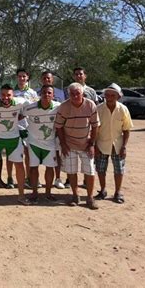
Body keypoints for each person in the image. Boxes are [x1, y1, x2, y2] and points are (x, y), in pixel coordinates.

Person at [55, 82, 100, 210]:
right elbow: (59, 127)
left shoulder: (90, 105)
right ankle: (75, 196)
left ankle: (90, 198)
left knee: (90, 172)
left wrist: (92, 144)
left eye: (77, 93)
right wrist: (63, 144)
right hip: (69, 144)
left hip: (86, 144)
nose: (75, 96)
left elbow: (96, 125)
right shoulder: (64, 107)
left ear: (82, 94)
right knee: (72, 171)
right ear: (68, 94)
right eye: (72, 94)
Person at [0, 84, 29, 205]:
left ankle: (21, 196)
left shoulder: (20, 101)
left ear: (13, 95)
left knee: (19, 166)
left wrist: (22, 116)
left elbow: (31, 105)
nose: (6, 97)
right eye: (3, 95)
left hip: (14, 139)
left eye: (8, 95)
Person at [94, 83, 133, 204]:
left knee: (119, 170)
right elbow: (94, 128)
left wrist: (124, 147)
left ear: (118, 96)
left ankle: (118, 192)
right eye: (107, 94)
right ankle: (103, 190)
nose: (109, 97)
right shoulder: (99, 109)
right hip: (101, 144)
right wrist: (94, 146)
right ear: (104, 95)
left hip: (118, 145)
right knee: (100, 169)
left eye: (113, 95)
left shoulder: (123, 109)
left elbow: (126, 130)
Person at [23, 85, 60, 203]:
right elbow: (18, 116)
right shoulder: (30, 108)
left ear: (53, 95)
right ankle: (34, 193)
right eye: (44, 92)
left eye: (49, 93)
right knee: (33, 168)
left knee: (50, 168)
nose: (46, 95)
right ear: (40, 94)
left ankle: (48, 193)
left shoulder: (58, 107)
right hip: (34, 143)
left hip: (50, 143)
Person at [37, 70, 66, 189]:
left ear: (52, 79)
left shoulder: (60, 92)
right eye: (44, 78)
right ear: (41, 80)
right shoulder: (36, 93)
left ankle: (58, 178)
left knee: (57, 154)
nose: (46, 80)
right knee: (37, 155)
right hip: (41, 129)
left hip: (56, 128)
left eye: (48, 78)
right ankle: (37, 179)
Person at [10, 68, 39, 189]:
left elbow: (35, 109)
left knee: (28, 153)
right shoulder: (13, 92)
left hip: (27, 127)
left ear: (27, 78)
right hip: (14, 127)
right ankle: (10, 178)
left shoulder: (32, 93)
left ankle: (28, 178)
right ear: (16, 78)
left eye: (24, 76)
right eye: (19, 76)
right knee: (12, 153)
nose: (21, 79)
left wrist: (25, 115)